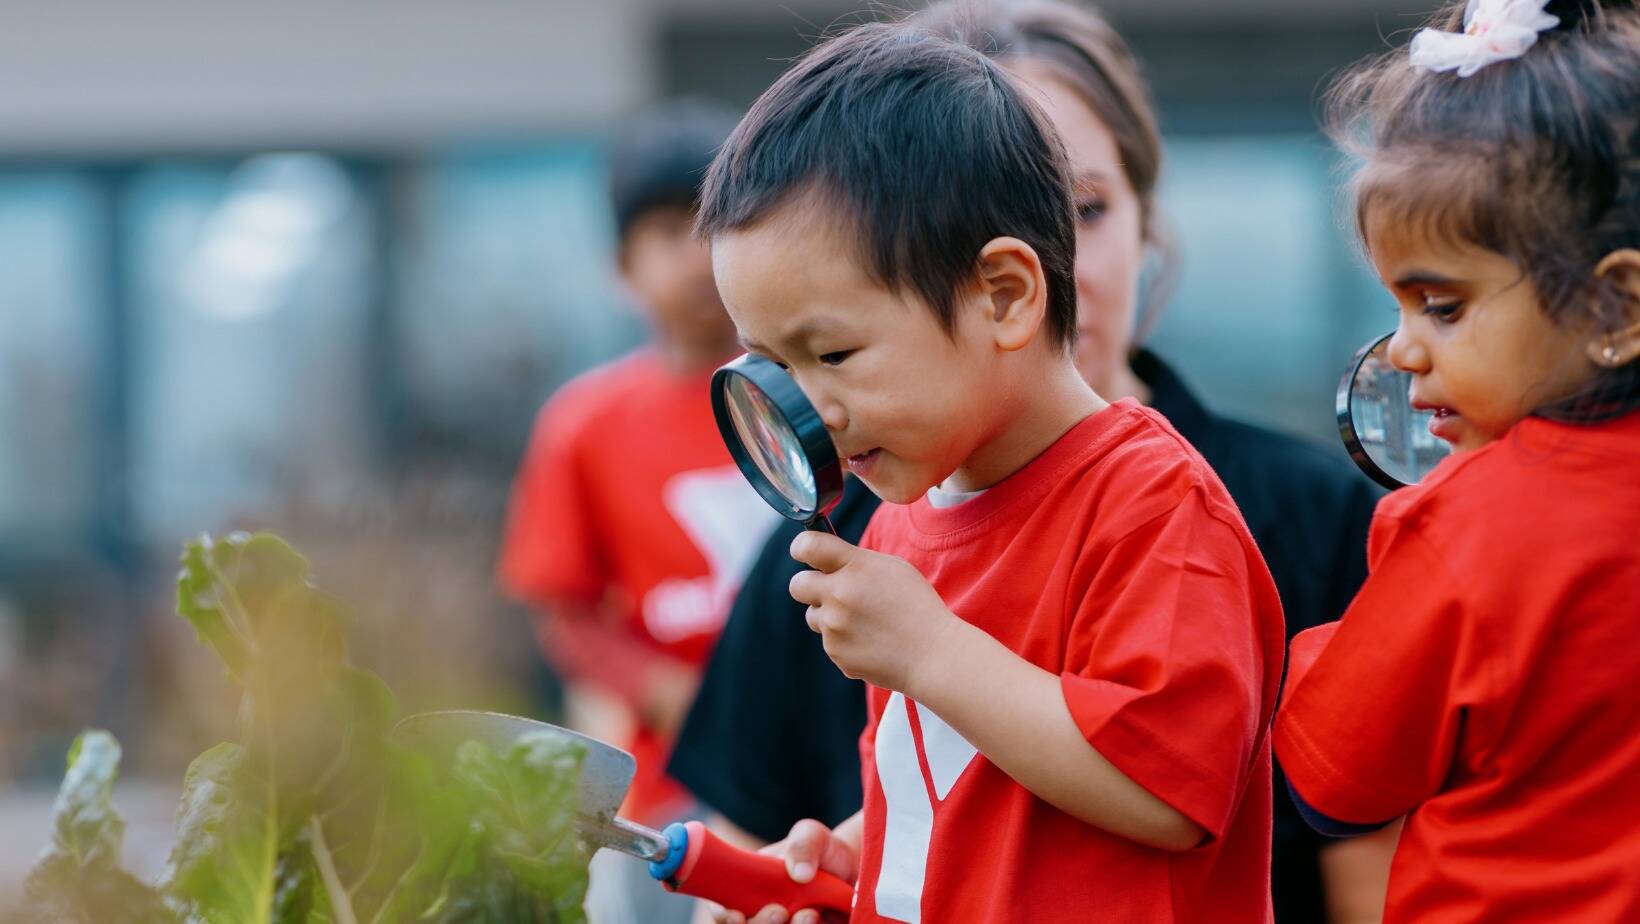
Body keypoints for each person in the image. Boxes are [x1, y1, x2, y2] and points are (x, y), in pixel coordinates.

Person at [669, 3, 1383, 919]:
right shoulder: (894, 522)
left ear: (1004, 297)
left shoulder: (1153, 503)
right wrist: (861, 849)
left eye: (833, 355)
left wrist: (929, 649)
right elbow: (984, 785)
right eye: (774, 363)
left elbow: (1167, 794)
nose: (811, 405)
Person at [1274, 1, 1640, 921]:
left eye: (1442, 306)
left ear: (1616, 309)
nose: (1401, 350)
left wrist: (1319, 651)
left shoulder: (1462, 524)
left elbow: (1332, 781)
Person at [497, 99, 778, 924]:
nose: (696, 258)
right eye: (666, 234)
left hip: (831, 759)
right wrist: (664, 690)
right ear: (621, 267)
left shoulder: (815, 392)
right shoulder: (584, 425)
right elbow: (562, 609)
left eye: (714, 226)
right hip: (678, 782)